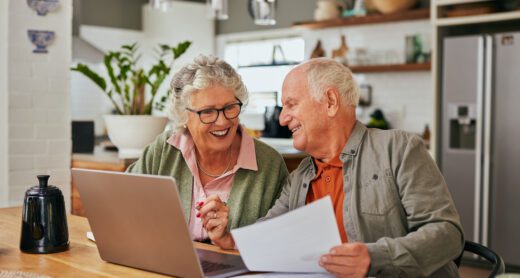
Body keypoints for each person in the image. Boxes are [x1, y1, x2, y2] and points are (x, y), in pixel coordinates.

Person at [212, 58, 464, 277]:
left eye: (291, 104)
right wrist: (229, 239)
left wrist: (373, 258)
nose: (282, 118)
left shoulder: (398, 149)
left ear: (330, 101)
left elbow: (447, 235)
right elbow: (265, 234)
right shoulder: (300, 177)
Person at [127, 55, 288, 247]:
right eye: (207, 112)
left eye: (229, 107)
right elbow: (123, 202)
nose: (222, 121)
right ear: (183, 116)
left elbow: (283, 240)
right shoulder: (165, 149)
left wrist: (232, 241)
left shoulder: (269, 163)